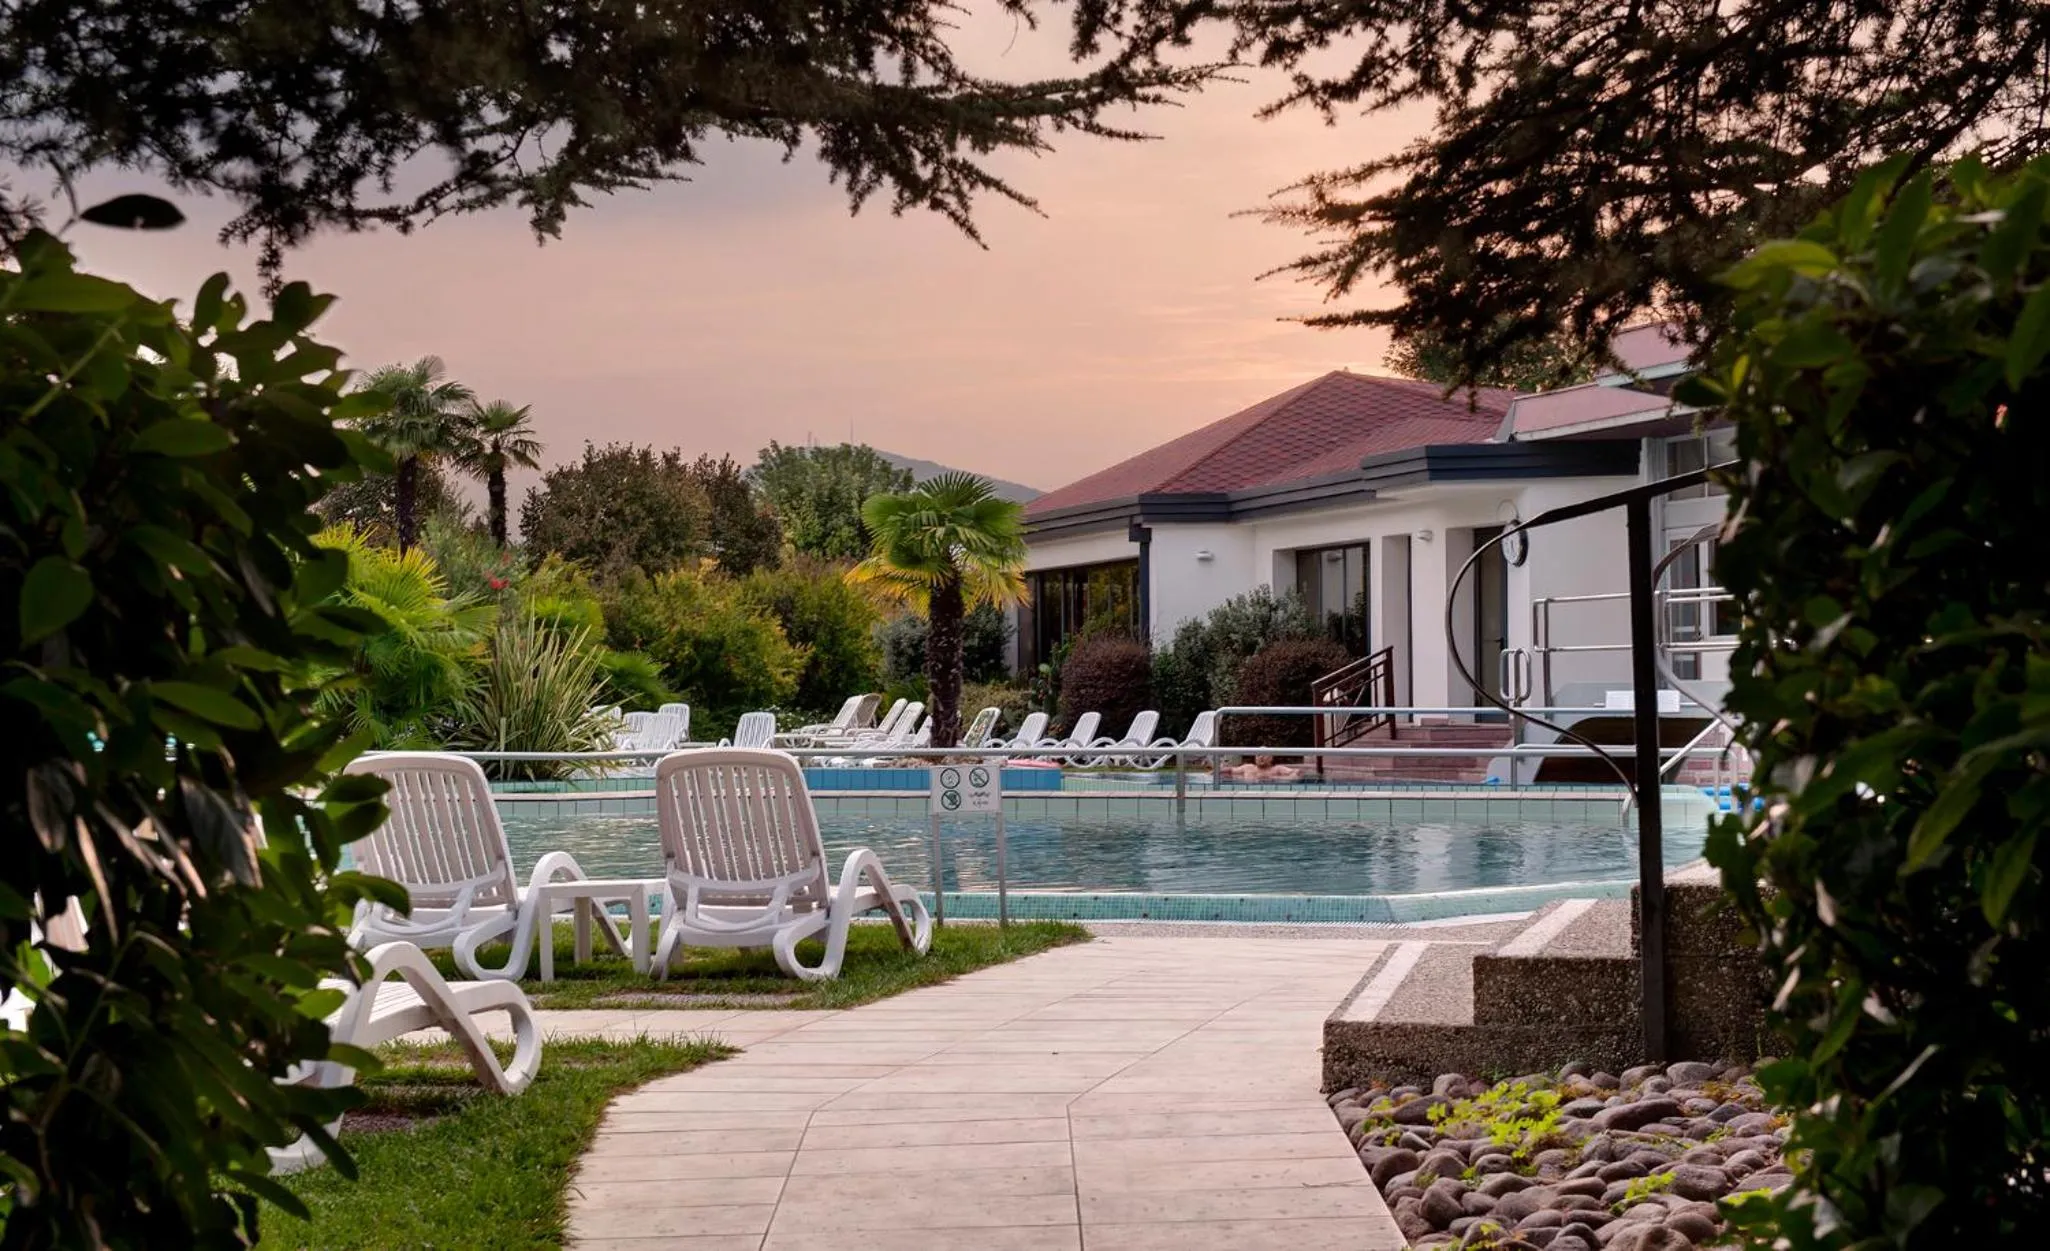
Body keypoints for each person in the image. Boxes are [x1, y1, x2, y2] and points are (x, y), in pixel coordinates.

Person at [1227, 754, 1300, 782]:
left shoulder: (1277, 769)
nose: (1261, 757)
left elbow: (1297, 772)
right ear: (1255, 758)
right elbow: (1229, 771)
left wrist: (1275, 778)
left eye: (1264, 755)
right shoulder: (1248, 767)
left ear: (1271, 758)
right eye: (1258, 755)